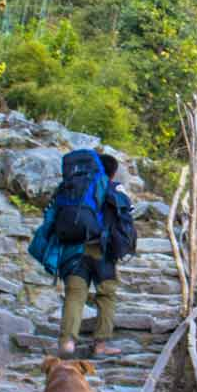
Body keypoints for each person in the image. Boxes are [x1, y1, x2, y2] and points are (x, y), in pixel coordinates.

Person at [58, 153, 124, 358]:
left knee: (75, 295)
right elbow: (126, 215)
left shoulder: (72, 186)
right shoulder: (113, 188)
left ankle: (68, 343)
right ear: (112, 173)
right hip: (102, 251)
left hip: (74, 248)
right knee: (106, 295)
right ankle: (100, 344)